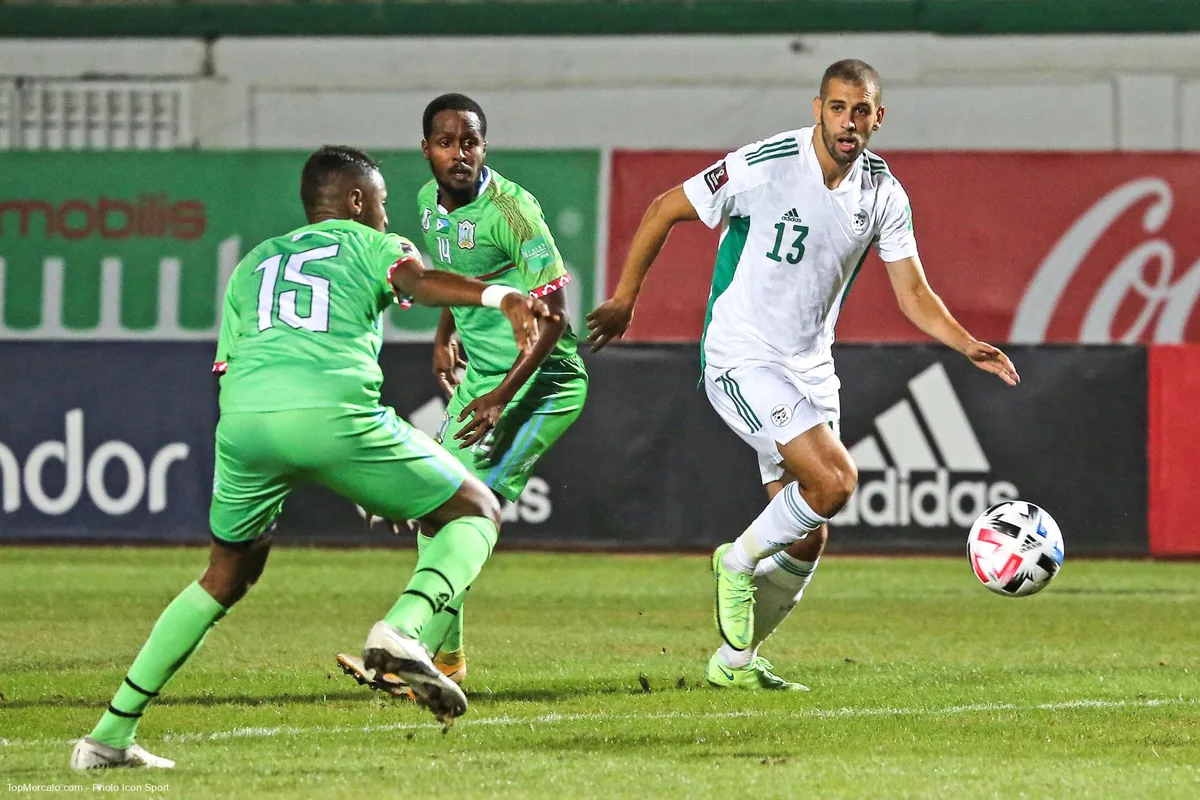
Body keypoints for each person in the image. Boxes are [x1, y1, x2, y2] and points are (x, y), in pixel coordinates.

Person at [70, 145, 554, 770]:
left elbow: (231, 364)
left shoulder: (253, 263)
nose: (384, 216)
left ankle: (108, 735)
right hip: (333, 412)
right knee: (476, 509)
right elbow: (420, 281)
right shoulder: (371, 243)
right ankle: (405, 630)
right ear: (357, 201)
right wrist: (500, 297)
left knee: (225, 575)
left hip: (244, 422)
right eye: (379, 204)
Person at [587, 59, 1019, 691]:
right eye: (838, 107)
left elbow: (914, 291)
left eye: (861, 110)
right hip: (740, 356)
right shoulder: (764, 165)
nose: (849, 122)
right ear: (818, 108)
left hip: (811, 368)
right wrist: (626, 297)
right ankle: (734, 561)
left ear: (879, 116)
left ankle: (733, 664)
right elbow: (662, 208)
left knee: (808, 536)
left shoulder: (883, 193)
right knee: (837, 481)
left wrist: (966, 344)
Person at [337, 93, 588, 698]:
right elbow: (463, 283)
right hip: (480, 383)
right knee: (437, 512)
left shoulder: (515, 212)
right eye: (446, 143)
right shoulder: (427, 204)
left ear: (484, 145)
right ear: (426, 149)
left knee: (473, 508)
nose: (459, 154)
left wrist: (503, 393)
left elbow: (552, 317)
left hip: (542, 385)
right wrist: (445, 332)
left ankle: (407, 637)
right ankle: (442, 662)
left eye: (470, 141)